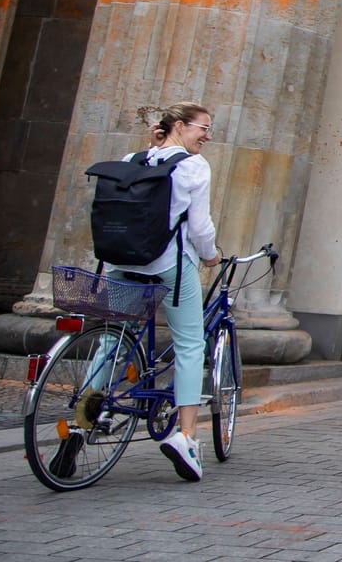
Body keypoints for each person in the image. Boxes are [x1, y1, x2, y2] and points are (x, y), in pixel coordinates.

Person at [84, 103, 220, 482]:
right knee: (190, 343)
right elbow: (200, 228)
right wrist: (211, 257)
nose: (207, 136)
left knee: (111, 339)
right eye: (203, 128)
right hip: (166, 262)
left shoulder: (133, 157)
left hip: (121, 260)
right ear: (180, 126)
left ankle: (90, 415)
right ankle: (187, 437)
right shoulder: (193, 167)